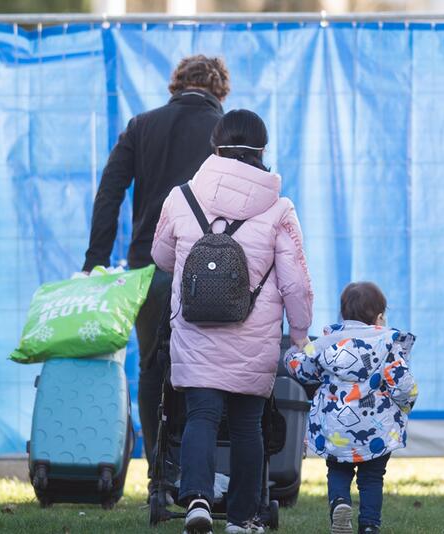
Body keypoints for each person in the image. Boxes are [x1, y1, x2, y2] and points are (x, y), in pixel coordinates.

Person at [151, 109, 313, 534]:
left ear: (216, 148)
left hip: (196, 333)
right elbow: (296, 280)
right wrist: (299, 334)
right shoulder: (280, 208)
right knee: (246, 426)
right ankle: (241, 519)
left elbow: (161, 257)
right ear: (262, 150)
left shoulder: (181, 197)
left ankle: (198, 500)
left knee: (200, 415)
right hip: (254, 336)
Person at [82, 55, 230, 490]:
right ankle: (200, 475)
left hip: (150, 265)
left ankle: (158, 476)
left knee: (151, 367)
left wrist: (96, 260)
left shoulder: (141, 125)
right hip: (212, 266)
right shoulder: (225, 131)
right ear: (220, 91)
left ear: (176, 85)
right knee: (205, 370)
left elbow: (110, 192)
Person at [285, 282, 417, 534]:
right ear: (379, 317)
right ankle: (368, 525)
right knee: (372, 478)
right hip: (376, 432)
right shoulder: (388, 345)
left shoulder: (324, 344)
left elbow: (300, 368)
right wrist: (405, 406)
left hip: (335, 427)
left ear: (343, 315)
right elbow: (403, 385)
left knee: (337, 469)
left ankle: (340, 503)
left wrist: (292, 352)